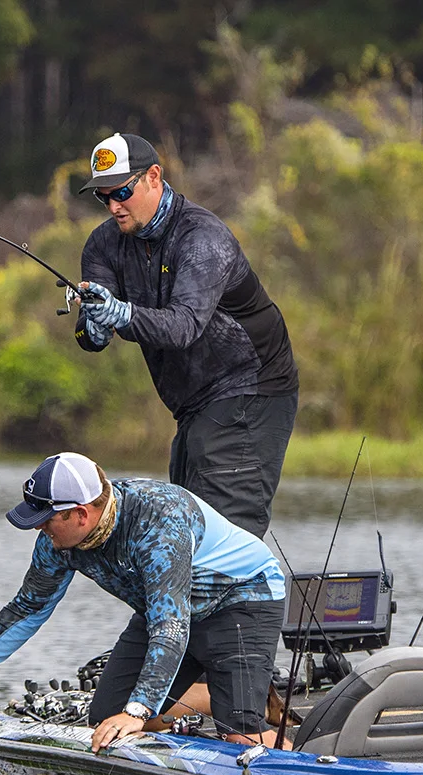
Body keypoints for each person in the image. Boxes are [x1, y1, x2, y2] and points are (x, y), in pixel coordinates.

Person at [0, 452, 286, 752]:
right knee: (107, 718)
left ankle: (289, 746)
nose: (39, 529)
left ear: (80, 513)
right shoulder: (58, 544)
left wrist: (139, 712)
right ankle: (215, 697)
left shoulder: (158, 521)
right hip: (165, 611)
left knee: (238, 734)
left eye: (47, 520)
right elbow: (27, 608)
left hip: (242, 598)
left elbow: (171, 627)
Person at [72, 132, 298, 539]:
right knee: (184, 524)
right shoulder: (104, 245)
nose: (113, 206)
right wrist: (94, 325)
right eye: (103, 197)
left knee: (219, 538)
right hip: (192, 404)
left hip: (252, 388)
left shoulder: (202, 238)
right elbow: (94, 337)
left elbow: (182, 327)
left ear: (154, 177)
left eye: (122, 191)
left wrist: (120, 313)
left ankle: (251, 603)